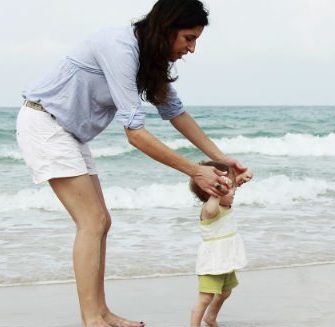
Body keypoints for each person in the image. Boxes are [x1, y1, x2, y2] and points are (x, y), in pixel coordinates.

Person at [15, 1, 247, 326]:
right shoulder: (121, 48)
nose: (192, 49)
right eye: (188, 38)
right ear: (166, 29)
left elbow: (174, 112)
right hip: (45, 123)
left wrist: (222, 159)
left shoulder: (148, 59)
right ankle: (91, 319)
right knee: (92, 221)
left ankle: (101, 312)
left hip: (69, 133)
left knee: (101, 222)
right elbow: (135, 134)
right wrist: (195, 170)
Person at [188, 161, 252, 327]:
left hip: (226, 259)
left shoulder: (225, 201)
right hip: (213, 261)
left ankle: (210, 317)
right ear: (212, 191)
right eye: (228, 187)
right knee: (205, 298)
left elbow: (231, 188)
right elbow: (211, 210)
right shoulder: (211, 208)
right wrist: (217, 193)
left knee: (225, 291)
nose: (234, 191)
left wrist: (240, 178)